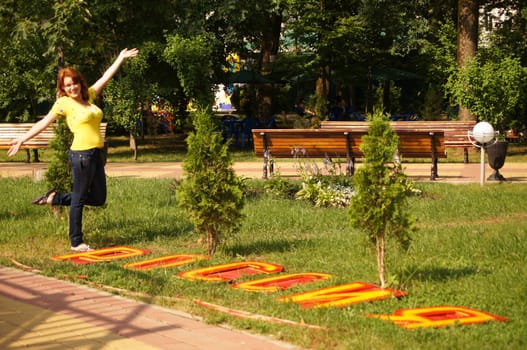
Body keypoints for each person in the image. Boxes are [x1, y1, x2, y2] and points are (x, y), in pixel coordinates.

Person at [7, 48, 139, 252]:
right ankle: (76, 242)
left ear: (80, 83)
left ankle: (54, 198)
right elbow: (43, 122)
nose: (72, 88)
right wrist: (23, 139)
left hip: (96, 154)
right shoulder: (64, 104)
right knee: (78, 199)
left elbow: (105, 77)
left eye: (74, 83)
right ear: (63, 88)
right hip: (81, 156)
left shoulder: (90, 97)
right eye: (68, 85)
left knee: (98, 198)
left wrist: (120, 58)